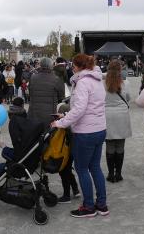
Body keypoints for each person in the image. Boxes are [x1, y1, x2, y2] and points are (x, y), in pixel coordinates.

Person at [51, 54, 108, 218]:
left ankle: (89, 206)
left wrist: (61, 123)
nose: (71, 67)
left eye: (73, 65)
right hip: (99, 129)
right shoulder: (97, 80)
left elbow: (80, 109)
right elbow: (88, 107)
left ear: (79, 66)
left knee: (82, 169)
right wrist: (67, 115)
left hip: (85, 132)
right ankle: (101, 204)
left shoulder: (82, 82)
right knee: (95, 167)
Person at [103, 60, 132, 183]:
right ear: (120, 70)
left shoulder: (102, 83)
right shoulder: (126, 83)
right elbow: (128, 98)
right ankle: (118, 173)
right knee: (120, 144)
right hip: (122, 115)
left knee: (109, 145)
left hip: (107, 115)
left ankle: (110, 174)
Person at [28, 57, 65, 127]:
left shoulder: (33, 77)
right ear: (51, 66)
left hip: (34, 113)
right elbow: (61, 96)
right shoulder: (56, 79)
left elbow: (30, 93)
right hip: (50, 114)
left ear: (40, 65)